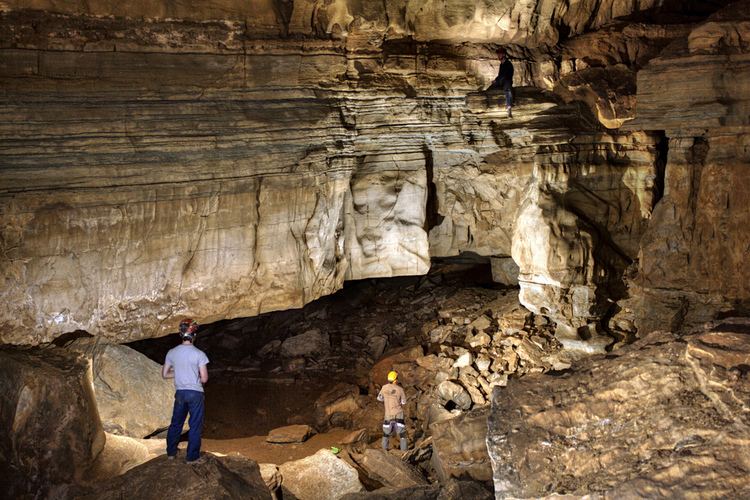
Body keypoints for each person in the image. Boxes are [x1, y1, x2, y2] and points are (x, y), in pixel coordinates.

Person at [162, 318, 209, 463]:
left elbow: (164, 374)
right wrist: (192, 374)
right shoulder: (199, 354)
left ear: (180, 334)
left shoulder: (172, 352)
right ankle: (192, 457)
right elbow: (204, 378)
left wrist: (180, 373)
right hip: (195, 393)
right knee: (195, 425)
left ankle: (171, 453)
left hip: (181, 393)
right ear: (194, 336)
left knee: (176, 423)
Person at [377, 370, 408, 451]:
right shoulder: (400, 389)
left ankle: (384, 451)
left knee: (386, 434)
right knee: (402, 434)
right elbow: (404, 402)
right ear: (396, 379)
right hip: (398, 414)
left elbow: (379, 398)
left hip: (388, 414)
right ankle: (404, 452)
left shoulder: (384, 388)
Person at [493, 47, 514, 118]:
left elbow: (505, 75)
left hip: (507, 81)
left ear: (504, 55)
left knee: (508, 90)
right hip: (501, 80)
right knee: (493, 85)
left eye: (500, 55)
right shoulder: (501, 64)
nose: (498, 56)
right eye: (498, 55)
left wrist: (497, 80)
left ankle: (509, 108)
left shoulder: (508, 64)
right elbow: (500, 75)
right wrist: (496, 80)